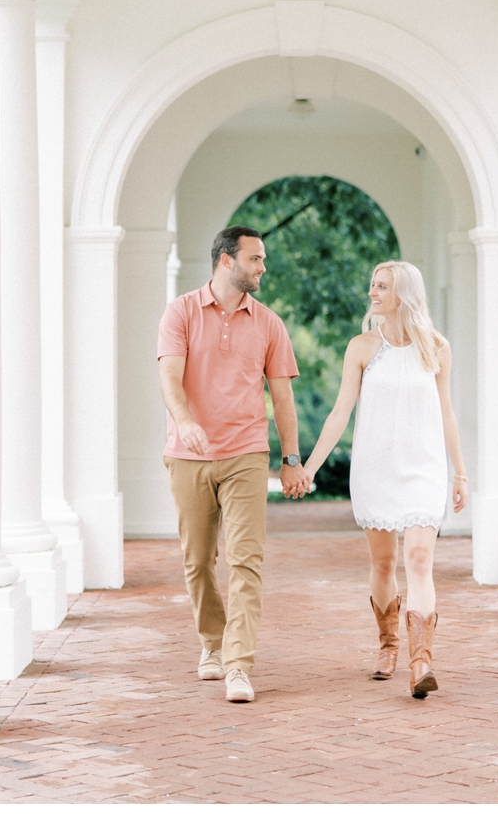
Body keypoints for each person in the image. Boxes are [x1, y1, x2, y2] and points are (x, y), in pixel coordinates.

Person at [291, 260, 468, 698]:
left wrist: (460, 472)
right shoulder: (362, 348)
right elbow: (339, 413)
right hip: (376, 467)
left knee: (421, 560)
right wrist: (310, 466)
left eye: (382, 286)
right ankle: (388, 646)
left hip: (424, 467)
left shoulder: (437, 348)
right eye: (372, 284)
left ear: (403, 293)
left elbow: (447, 413)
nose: (372, 292)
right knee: (384, 564)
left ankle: (420, 660)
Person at [157, 225, 307, 704]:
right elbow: (169, 377)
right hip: (190, 455)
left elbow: (282, 397)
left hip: (246, 453)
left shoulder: (269, 323)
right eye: (256, 259)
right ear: (227, 260)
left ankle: (238, 665)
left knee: (246, 562)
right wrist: (185, 423)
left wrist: (290, 460)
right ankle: (212, 644)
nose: (263, 267)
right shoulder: (180, 312)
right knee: (198, 562)